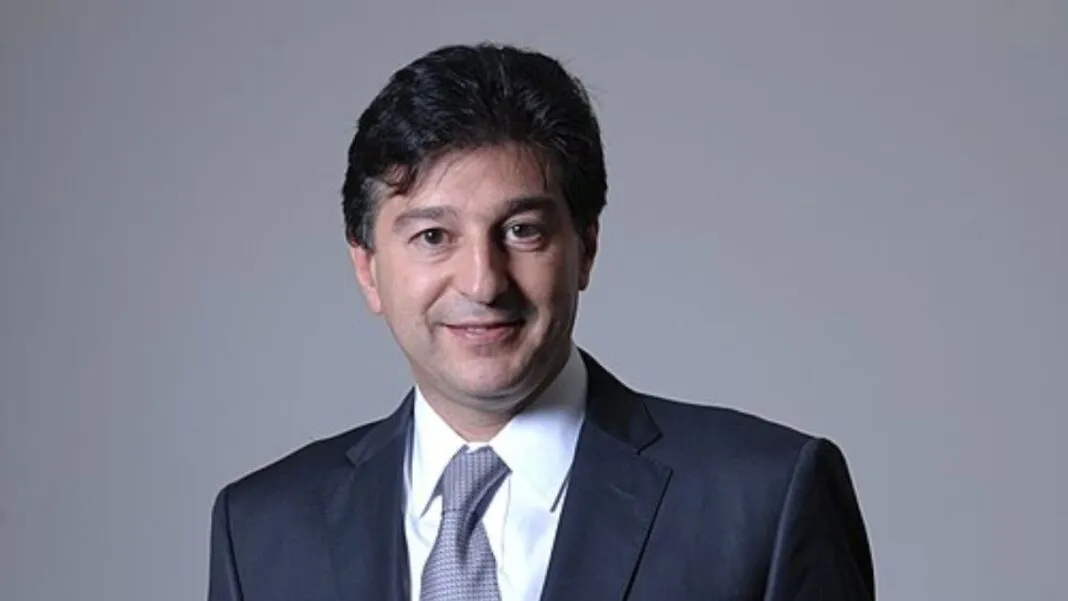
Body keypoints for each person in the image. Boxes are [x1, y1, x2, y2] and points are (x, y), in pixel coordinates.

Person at [207, 42, 875, 601]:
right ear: (367, 267)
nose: (483, 282)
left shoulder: (764, 500)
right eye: (434, 236)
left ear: (586, 246)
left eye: (522, 230)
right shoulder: (262, 530)